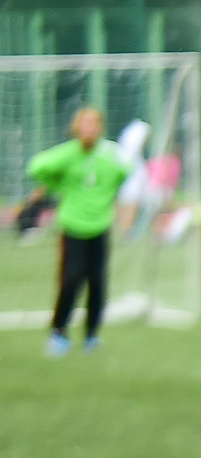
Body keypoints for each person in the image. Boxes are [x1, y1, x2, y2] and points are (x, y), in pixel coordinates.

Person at [22, 107, 132, 357]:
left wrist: (109, 199)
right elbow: (36, 167)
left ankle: (92, 335)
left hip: (100, 227)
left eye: (94, 123)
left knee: (98, 284)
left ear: (100, 127)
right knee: (70, 280)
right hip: (72, 227)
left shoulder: (110, 155)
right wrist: (56, 184)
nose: (89, 128)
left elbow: (125, 173)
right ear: (76, 128)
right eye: (85, 123)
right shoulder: (68, 154)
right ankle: (58, 333)